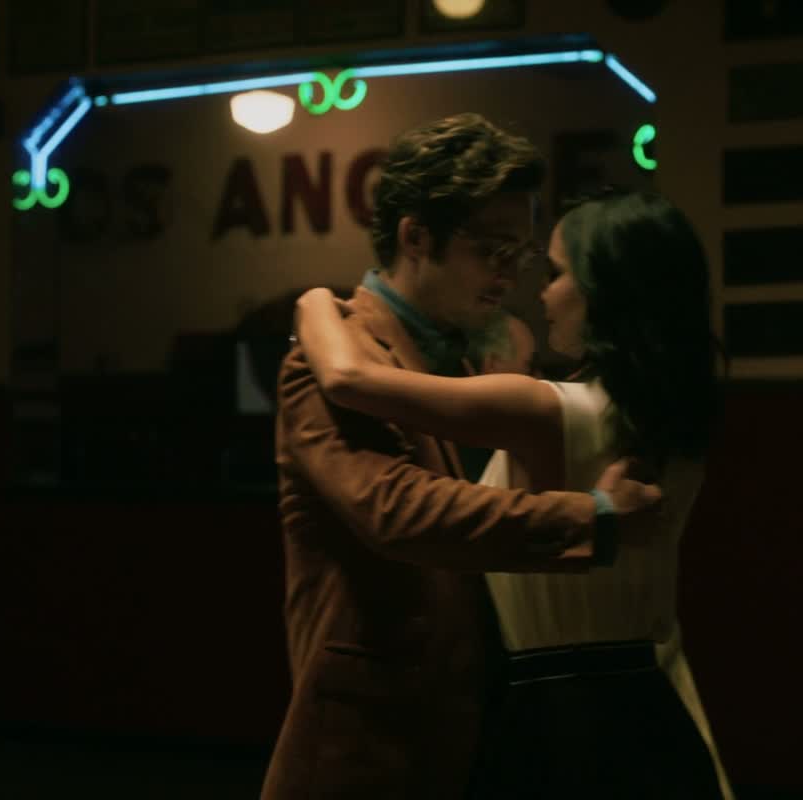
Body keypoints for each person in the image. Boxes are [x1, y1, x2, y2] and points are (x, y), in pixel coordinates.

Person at [260, 114, 668, 799]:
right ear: (416, 237)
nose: (511, 274)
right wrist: (593, 517)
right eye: (491, 249)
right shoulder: (331, 354)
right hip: (371, 746)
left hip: (475, 734)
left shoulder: (485, 350)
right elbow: (394, 508)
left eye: (522, 253)